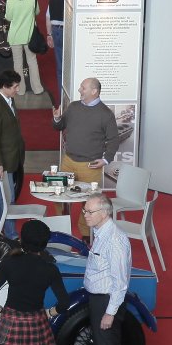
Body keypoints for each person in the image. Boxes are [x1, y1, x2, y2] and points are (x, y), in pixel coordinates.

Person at [52, 77, 121, 235]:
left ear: (94, 91)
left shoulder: (105, 114)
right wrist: (57, 118)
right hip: (68, 161)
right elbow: (60, 126)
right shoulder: (73, 106)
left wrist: (106, 160)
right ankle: (61, 228)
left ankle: (85, 235)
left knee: (89, 202)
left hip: (90, 166)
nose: (79, 90)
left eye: (83, 88)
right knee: (59, 195)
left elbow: (114, 140)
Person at [81, 194, 131, 345]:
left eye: (90, 212)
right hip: (99, 300)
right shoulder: (101, 232)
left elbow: (120, 282)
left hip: (106, 302)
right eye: (84, 210)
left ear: (104, 213)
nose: (85, 215)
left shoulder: (115, 241)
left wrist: (110, 313)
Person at [0, 69, 25, 237]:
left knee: (5, 197)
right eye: (15, 87)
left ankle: (4, 231)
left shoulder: (9, 99)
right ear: (4, 87)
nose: (17, 90)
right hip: (3, 161)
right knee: (3, 198)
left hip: (11, 158)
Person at [4, 0, 44, 96]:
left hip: (15, 36)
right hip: (30, 36)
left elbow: (8, 17)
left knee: (17, 63)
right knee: (32, 61)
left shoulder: (10, 1)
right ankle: (37, 88)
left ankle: (20, 90)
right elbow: (37, 12)